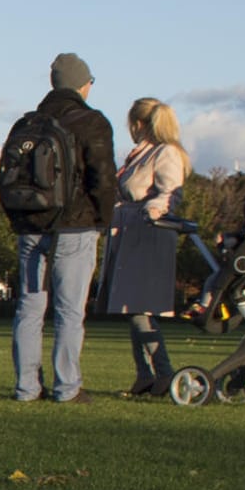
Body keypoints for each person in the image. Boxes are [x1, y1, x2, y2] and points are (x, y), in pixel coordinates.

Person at [6, 53, 116, 404]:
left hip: (31, 225)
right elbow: (103, 177)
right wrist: (104, 220)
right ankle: (67, 387)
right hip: (75, 225)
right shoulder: (92, 121)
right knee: (69, 310)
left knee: (30, 306)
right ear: (83, 84)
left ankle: (26, 387)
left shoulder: (26, 123)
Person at [97, 97, 191, 397]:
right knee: (133, 308)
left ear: (138, 124)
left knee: (139, 309)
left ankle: (162, 372)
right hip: (128, 234)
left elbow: (170, 193)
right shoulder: (141, 155)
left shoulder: (166, 154)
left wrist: (152, 209)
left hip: (145, 236)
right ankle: (145, 374)